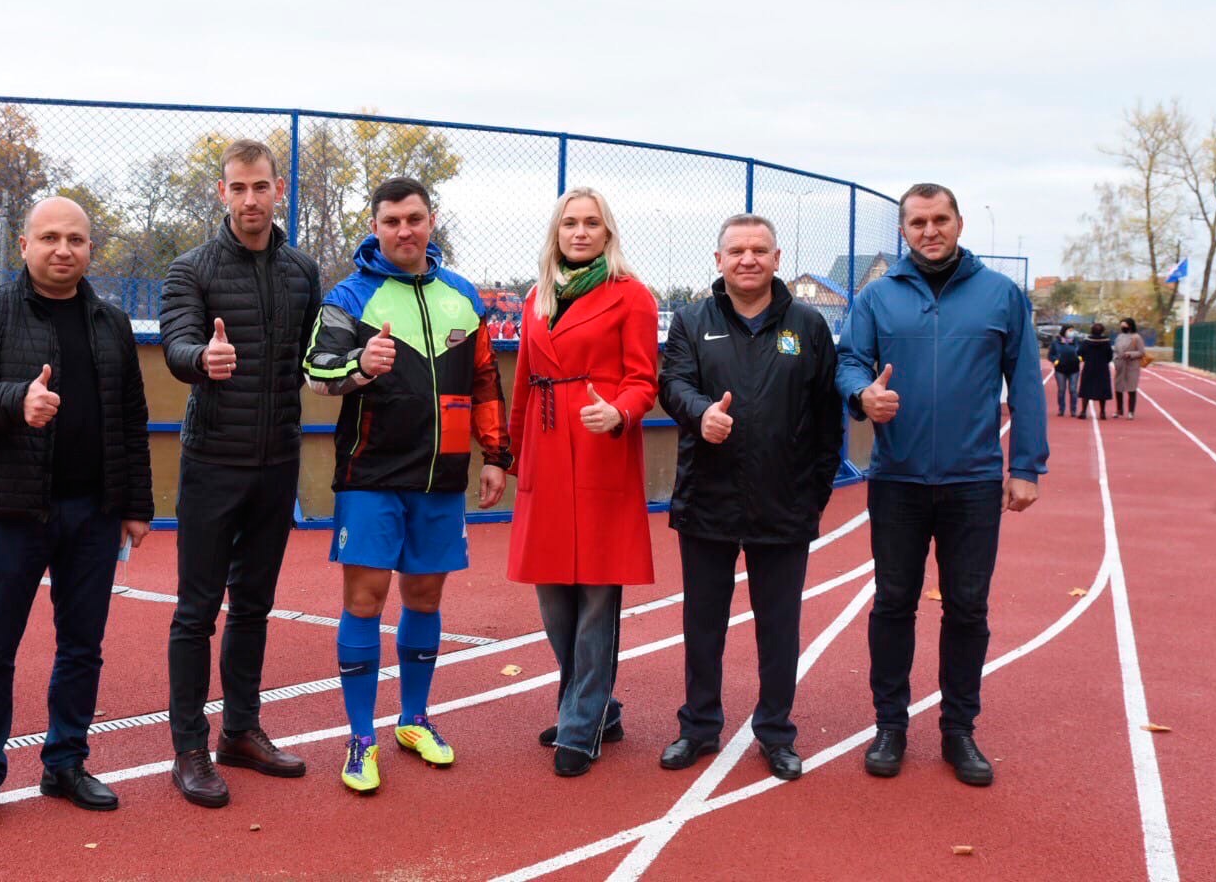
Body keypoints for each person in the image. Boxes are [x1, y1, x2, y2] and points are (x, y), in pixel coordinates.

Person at [0, 196, 154, 837]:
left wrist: (136, 505)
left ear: (90, 249)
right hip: (9, 511)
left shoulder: (111, 322)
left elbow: (131, 419)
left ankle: (65, 763)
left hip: (94, 513)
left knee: (82, 647)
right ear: (24, 246)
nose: (64, 249)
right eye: (50, 237)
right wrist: (16, 401)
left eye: (76, 239)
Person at [304, 176, 511, 795]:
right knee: (364, 601)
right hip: (370, 475)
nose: (404, 231)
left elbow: (484, 382)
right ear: (375, 227)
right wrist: (359, 366)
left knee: (424, 598)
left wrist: (495, 455)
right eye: (391, 221)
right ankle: (360, 736)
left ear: (431, 221)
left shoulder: (463, 296)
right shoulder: (349, 295)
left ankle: (414, 719)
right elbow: (315, 371)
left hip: (441, 479)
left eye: (414, 219)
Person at [836, 183, 1047, 787]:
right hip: (897, 479)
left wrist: (1026, 465)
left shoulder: (1001, 295)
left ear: (958, 222)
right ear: (903, 230)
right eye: (918, 222)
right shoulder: (877, 296)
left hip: (973, 480)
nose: (930, 231)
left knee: (968, 607)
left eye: (940, 219)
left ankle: (959, 730)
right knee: (893, 602)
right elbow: (848, 361)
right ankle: (890, 726)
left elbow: (1025, 382)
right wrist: (862, 394)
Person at [158, 139, 322, 808]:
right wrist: (203, 358)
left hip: (278, 461)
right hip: (212, 462)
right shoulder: (191, 268)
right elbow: (175, 342)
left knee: (253, 605)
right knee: (196, 611)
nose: (249, 199)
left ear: (278, 189)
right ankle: (189, 748)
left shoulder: (302, 271)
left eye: (260, 186)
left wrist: (355, 363)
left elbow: (317, 356)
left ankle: (241, 731)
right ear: (221, 192)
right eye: (238, 187)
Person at [658, 215, 842, 782]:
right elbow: (673, 384)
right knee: (703, 624)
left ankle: (776, 733)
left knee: (779, 627)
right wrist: (701, 413)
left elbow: (827, 418)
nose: (748, 259)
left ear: (777, 258)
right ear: (718, 260)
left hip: (784, 503)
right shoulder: (691, 321)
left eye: (759, 249)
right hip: (707, 498)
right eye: (736, 250)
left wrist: (813, 492)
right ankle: (698, 726)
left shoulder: (808, 325)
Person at [506, 188, 657, 778]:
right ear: (557, 231)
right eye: (570, 222)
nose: (580, 231)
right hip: (545, 452)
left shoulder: (633, 295)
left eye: (592, 223)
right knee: (553, 598)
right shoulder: (537, 296)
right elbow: (524, 382)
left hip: (601, 450)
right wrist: (511, 456)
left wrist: (619, 412)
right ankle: (597, 707)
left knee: (596, 597)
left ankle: (580, 722)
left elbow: (644, 379)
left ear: (607, 232)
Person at [1076, 323, 1114, 420]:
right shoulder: (1106, 342)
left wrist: (1086, 359)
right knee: (1102, 389)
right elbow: (1110, 356)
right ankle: (1102, 412)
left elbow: (1080, 352)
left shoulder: (1086, 342)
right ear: (1102, 331)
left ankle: (1083, 411)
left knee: (1086, 389)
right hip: (1102, 368)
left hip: (1089, 367)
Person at [1112, 317, 1146, 420]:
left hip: (1132, 366)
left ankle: (1131, 412)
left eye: (1124, 325)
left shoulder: (1137, 337)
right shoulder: (1119, 337)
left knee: (1131, 389)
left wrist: (1130, 354)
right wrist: (1115, 360)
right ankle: (1119, 410)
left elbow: (1142, 352)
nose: (1122, 327)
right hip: (1120, 365)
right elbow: (1115, 350)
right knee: (1118, 388)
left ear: (1130, 326)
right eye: (1121, 325)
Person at [1048, 326, 1080, 417]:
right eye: (1070, 330)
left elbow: (1082, 352)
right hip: (1060, 369)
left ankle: (1073, 410)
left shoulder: (1076, 342)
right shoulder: (1056, 343)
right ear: (1064, 331)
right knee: (1061, 390)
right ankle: (1061, 409)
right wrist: (1055, 360)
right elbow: (1050, 355)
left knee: (1073, 390)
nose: (1072, 332)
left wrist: (1080, 358)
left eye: (1072, 330)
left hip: (1074, 369)